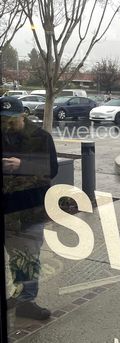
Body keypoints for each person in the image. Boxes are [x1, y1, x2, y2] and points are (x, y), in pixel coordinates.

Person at [2, 96, 58, 320]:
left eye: (11, 119)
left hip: (28, 209)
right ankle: (18, 293)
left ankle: (28, 301)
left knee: (29, 255)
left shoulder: (41, 138)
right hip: (6, 207)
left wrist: (22, 165)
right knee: (15, 256)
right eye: (3, 119)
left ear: (23, 115)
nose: (7, 124)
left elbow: (51, 169)